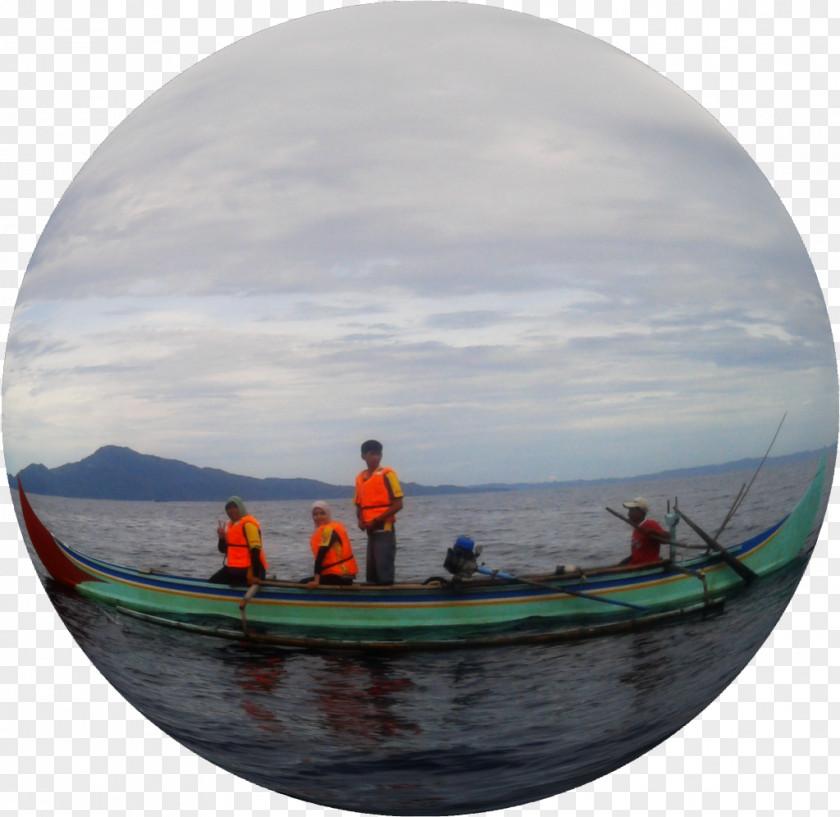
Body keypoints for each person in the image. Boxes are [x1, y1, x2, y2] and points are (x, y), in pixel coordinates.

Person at [354, 439, 404, 585]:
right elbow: (359, 505)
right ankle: (373, 601)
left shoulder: (388, 474)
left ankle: (388, 599)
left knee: (384, 569)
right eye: (372, 454)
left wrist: (376, 521)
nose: (376, 457)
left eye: (378, 454)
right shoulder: (360, 478)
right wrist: (360, 521)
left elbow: (398, 504)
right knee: (372, 573)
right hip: (369, 529)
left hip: (384, 528)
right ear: (363, 456)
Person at [209, 496, 268, 585]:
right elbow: (223, 550)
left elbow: (255, 550)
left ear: (241, 508)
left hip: (249, 571)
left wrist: (255, 576)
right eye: (229, 508)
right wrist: (221, 538)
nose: (231, 510)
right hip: (235, 569)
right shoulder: (232, 526)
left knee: (214, 584)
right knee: (212, 582)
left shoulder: (248, 525)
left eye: (235, 507)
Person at [306, 501, 359, 588]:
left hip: (340, 576)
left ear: (328, 514)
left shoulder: (329, 530)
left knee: (301, 583)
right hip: (337, 575)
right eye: (315, 514)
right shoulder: (324, 530)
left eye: (322, 513)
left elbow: (320, 556)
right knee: (305, 581)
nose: (318, 517)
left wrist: (316, 581)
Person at [618, 496, 670, 566]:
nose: (629, 514)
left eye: (631, 510)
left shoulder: (650, 524)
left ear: (641, 512)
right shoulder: (637, 528)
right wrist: (623, 563)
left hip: (647, 567)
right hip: (635, 566)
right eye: (629, 511)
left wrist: (652, 531)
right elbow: (638, 553)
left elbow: (668, 538)